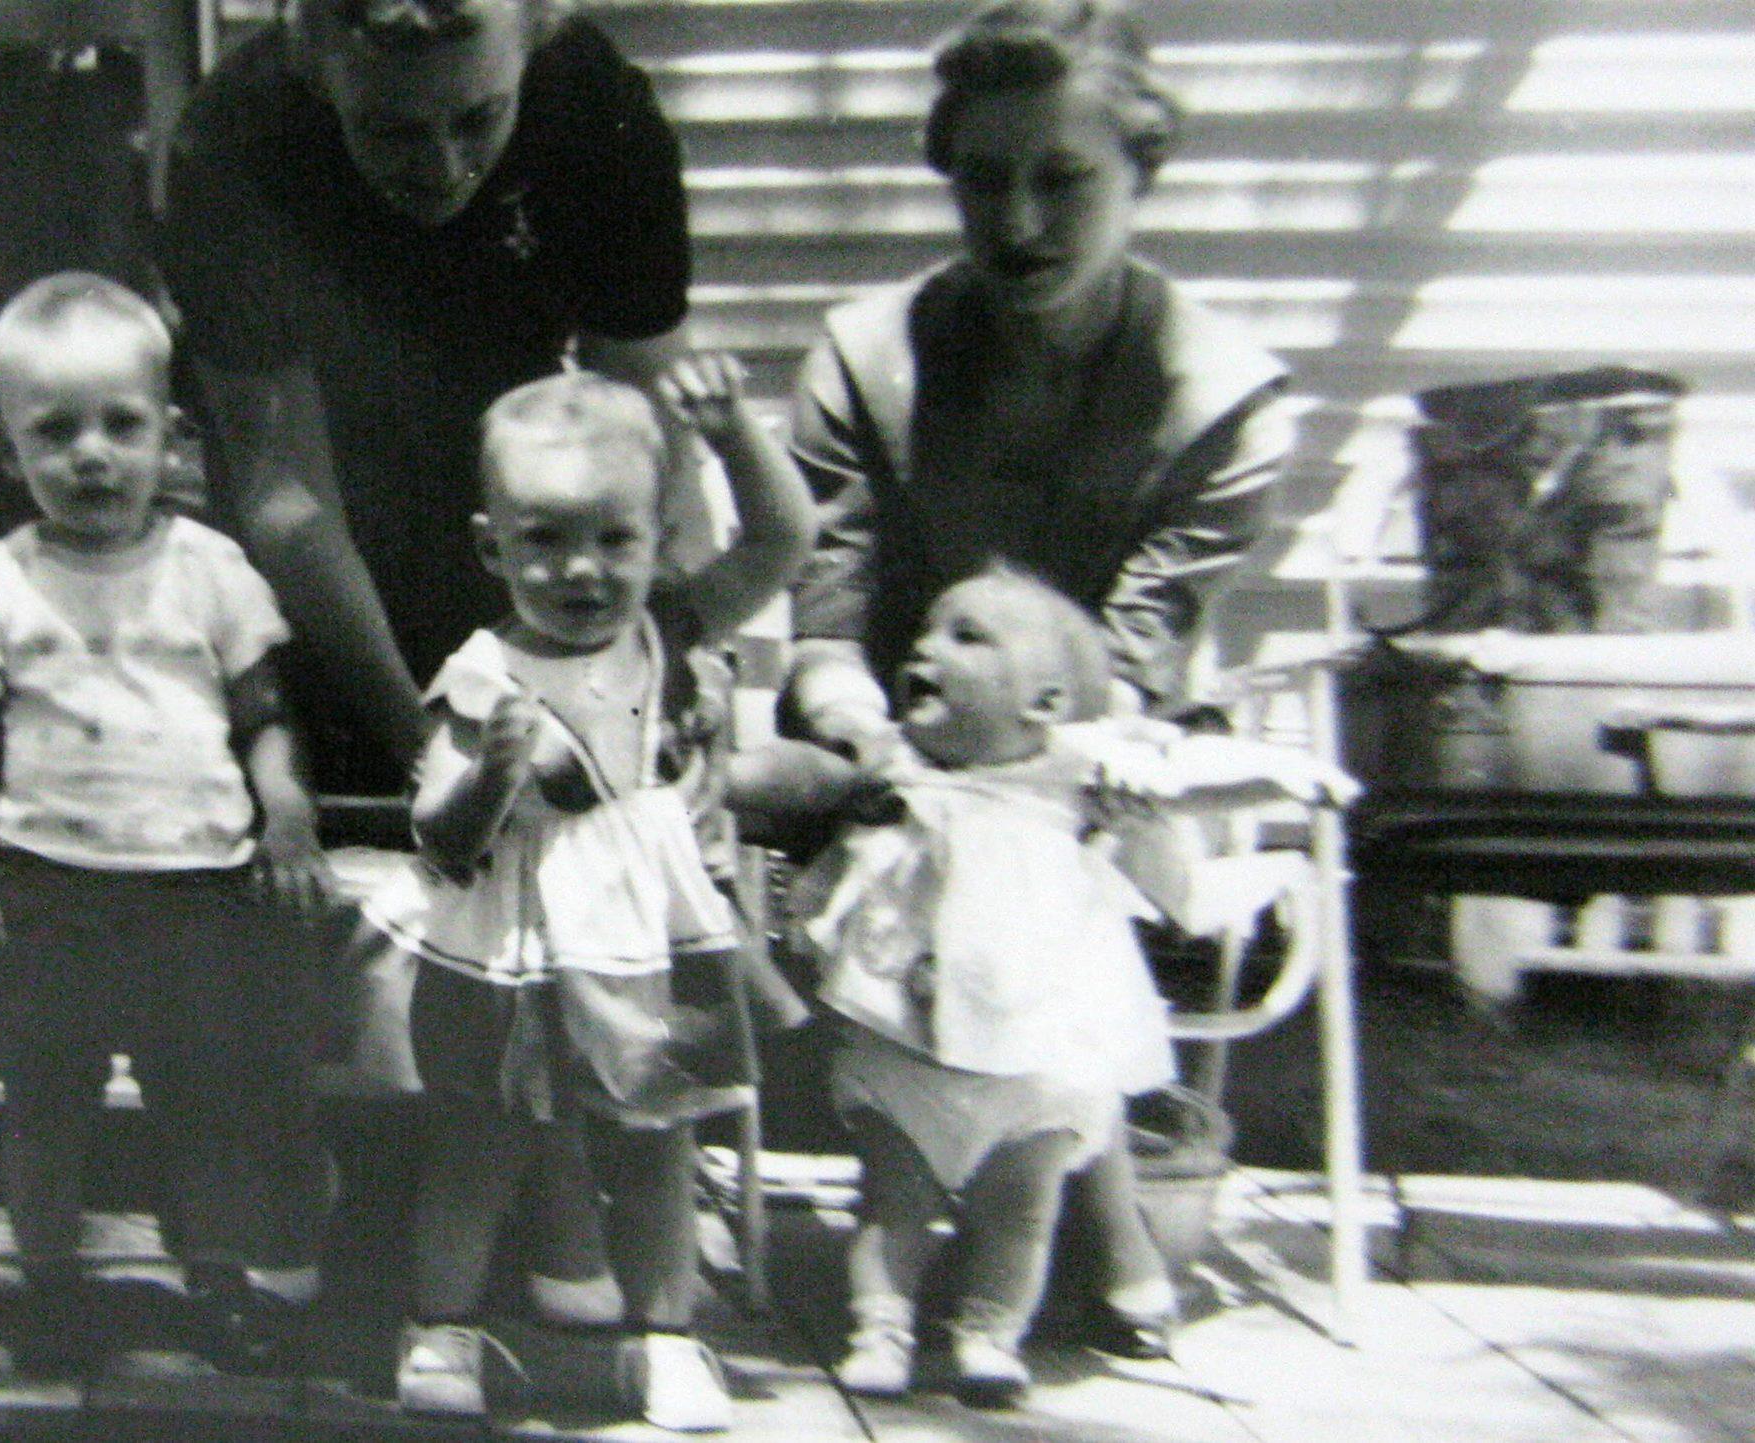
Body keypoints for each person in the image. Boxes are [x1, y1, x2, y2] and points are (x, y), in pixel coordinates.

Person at [157, 0, 697, 1325]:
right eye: (393, 127)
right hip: (329, 519)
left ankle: (548, 1193)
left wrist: (649, 657)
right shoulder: (233, 142)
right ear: (318, 55)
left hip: (525, 496)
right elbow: (284, 486)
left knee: (552, 874)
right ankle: (331, 1196)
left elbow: (637, 431)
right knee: (349, 900)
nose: (443, 165)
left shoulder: (598, 110)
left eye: (477, 119)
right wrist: (424, 733)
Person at [780, 0, 1298, 1362]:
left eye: (1063, 179)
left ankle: (1078, 1206)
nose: (1016, 222)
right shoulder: (865, 357)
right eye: (981, 177)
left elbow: (1132, 662)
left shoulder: (1220, 396)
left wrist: (1012, 774)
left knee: (1056, 887)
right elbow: (827, 619)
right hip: (895, 735)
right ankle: (1059, 1222)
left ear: (1142, 174)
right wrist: (865, 730)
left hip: (1088, 760)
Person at [779, 566, 1346, 1408]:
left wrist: (1288, 780)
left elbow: (1187, 776)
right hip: (907, 1047)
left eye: (966, 637)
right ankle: (881, 1329)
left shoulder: (1076, 771)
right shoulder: (891, 762)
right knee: (889, 1203)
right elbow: (788, 776)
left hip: (1035, 1060)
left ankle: (989, 1334)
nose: (925, 649)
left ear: (1042, 703)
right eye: (926, 632)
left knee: (1021, 1214)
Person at [364, 363, 812, 1431]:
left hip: (636, 934)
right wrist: (490, 776)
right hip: (511, 934)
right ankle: (440, 1327)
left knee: (659, 1145)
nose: (582, 569)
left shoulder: (661, 630)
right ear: (492, 548)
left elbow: (780, 544)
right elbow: (435, 834)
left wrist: (735, 435)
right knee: (478, 1150)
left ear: (658, 538)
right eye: (545, 539)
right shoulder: (479, 675)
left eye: (615, 539)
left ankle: (665, 1343)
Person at [0, 273, 334, 1375]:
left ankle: (222, 1282)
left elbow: (262, 714)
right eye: (53, 432)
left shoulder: (212, 571)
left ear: (171, 436)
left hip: (196, 887)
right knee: (43, 1104)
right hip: (48, 887)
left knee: (209, 1103)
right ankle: (48, 1283)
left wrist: (285, 808)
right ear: (9, 452)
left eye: (119, 425)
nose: (89, 454)